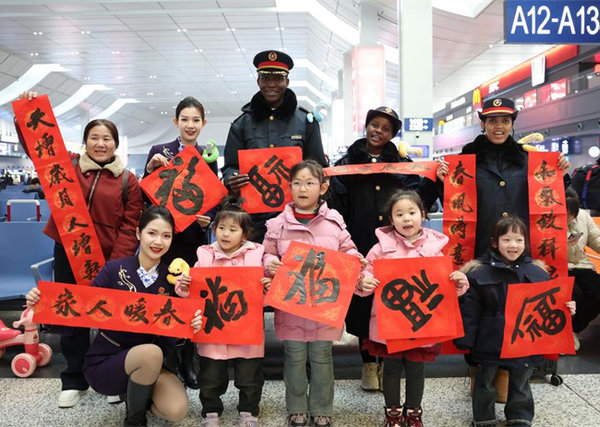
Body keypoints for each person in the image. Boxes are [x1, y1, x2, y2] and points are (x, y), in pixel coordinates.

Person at [14, 90, 144, 408]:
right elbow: (36, 146)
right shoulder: (68, 166)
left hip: (111, 259)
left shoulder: (128, 181)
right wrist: (25, 113)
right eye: (95, 138)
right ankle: (74, 378)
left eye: (107, 139)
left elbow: (130, 227)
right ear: (85, 142)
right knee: (71, 316)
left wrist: (113, 264)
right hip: (67, 253)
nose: (101, 144)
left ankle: (110, 377)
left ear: (116, 144)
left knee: (110, 319)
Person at [26, 207, 203, 426]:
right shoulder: (114, 269)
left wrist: (190, 325)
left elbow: (173, 334)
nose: (158, 241)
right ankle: (134, 420)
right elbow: (82, 307)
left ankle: (138, 395)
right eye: (152, 233)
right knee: (151, 353)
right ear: (138, 233)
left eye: (166, 236)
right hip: (108, 358)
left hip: (154, 363)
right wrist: (42, 301)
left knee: (176, 410)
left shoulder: (173, 281)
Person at [329, 107, 442, 391]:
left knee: (394, 303)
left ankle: (388, 360)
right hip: (361, 243)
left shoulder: (404, 165)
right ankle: (368, 362)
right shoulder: (345, 165)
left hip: (397, 249)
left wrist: (435, 179)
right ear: (366, 126)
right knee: (362, 305)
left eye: (386, 129)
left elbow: (419, 201)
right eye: (374, 125)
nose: (378, 131)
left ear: (393, 134)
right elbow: (337, 209)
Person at [262, 160, 363, 427]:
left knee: (322, 357)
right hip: (292, 305)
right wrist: (268, 263)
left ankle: (322, 408)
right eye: (297, 183)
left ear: (323, 187)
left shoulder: (334, 222)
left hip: (323, 308)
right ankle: (296, 407)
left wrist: (356, 260)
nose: (303, 189)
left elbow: (348, 249)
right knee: (294, 358)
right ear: (289, 188)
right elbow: (267, 252)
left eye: (309, 183)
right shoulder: (277, 224)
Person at [356, 190, 468, 427]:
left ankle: (414, 413)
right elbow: (365, 278)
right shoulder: (379, 249)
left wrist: (459, 282)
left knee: (416, 369)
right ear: (391, 219)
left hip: (422, 322)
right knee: (392, 367)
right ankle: (393, 414)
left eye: (412, 212)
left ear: (423, 214)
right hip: (390, 324)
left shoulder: (435, 248)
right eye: (399, 214)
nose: (406, 218)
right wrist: (363, 282)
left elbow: (447, 286)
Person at [454, 216, 576, 427]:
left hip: (524, 339)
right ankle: (484, 417)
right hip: (488, 337)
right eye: (507, 239)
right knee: (485, 381)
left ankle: (520, 416)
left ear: (525, 243)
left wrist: (567, 308)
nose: (513, 245)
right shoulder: (478, 272)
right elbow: (470, 310)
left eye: (519, 240)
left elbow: (549, 306)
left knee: (521, 380)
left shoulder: (537, 272)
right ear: (494, 242)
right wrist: (466, 341)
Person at [143, 95, 219, 389]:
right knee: (162, 296)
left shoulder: (207, 155)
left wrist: (208, 218)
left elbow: (212, 196)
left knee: (187, 299)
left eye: (196, 120)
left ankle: (189, 360)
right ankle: (164, 359)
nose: (190, 125)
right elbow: (146, 193)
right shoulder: (160, 151)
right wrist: (150, 170)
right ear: (176, 122)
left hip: (192, 240)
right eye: (184, 119)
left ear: (203, 123)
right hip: (163, 239)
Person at [175, 198, 271, 427]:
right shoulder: (205, 256)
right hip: (213, 335)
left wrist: (267, 287)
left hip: (247, 334)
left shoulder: (256, 257)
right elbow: (188, 293)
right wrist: (185, 284)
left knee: (249, 378)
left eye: (232, 229)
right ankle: (210, 412)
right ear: (214, 229)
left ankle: (248, 411)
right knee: (210, 377)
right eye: (221, 228)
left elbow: (264, 298)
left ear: (245, 234)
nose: (225, 234)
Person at [437, 97, 571, 258]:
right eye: (492, 121)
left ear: (512, 125)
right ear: (483, 124)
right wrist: (442, 182)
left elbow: (547, 200)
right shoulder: (465, 162)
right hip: (481, 243)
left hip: (519, 244)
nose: (499, 126)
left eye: (505, 121)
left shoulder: (528, 160)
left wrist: (559, 177)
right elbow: (453, 205)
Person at [222, 50, 328, 242]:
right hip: (252, 220)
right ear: (258, 81)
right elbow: (229, 166)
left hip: (297, 217)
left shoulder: (306, 121)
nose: (271, 84)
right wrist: (232, 179)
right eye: (265, 77)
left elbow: (319, 166)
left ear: (287, 81)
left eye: (278, 78)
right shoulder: (241, 124)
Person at [565, 188, 600, 344]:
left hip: (581, 264)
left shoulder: (583, 216)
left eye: (572, 212)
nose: (569, 216)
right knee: (574, 294)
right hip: (556, 267)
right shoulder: (546, 219)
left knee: (597, 292)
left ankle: (573, 328)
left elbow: (596, 238)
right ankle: (563, 332)